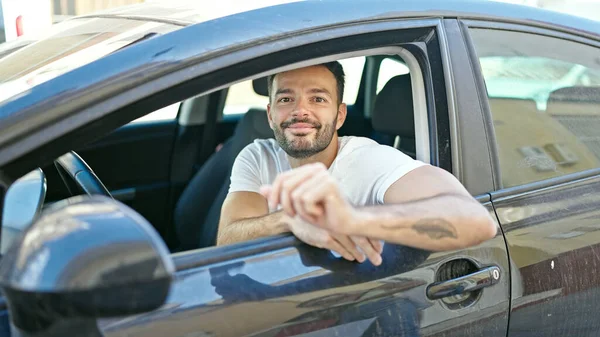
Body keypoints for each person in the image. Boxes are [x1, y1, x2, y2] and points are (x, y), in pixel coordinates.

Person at [216, 61, 497, 266]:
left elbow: (475, 221)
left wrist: (352, 219)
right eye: (286, 98)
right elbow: (226, 240)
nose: (300, 110)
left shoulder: (369, 159)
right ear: (270, 115)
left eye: (318, 98)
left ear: (339, 116)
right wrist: (291, 218)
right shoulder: (257, 155)